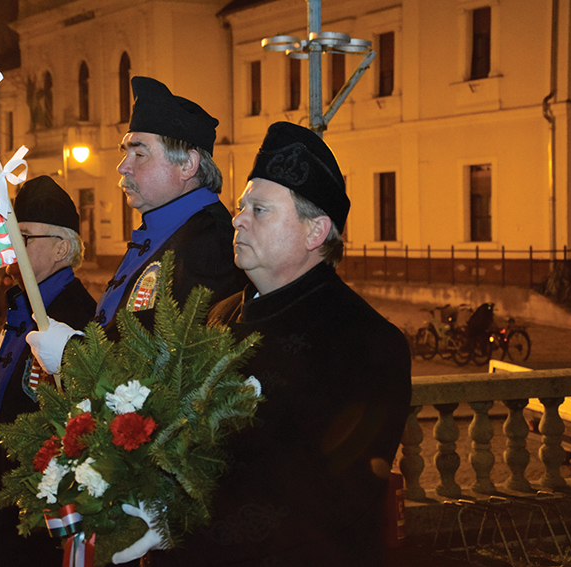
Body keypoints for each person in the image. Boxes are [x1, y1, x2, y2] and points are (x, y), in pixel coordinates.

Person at [148, 122, 413, 566]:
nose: (238, 218)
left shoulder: (366, 343)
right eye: (240, 205)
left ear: (315, 232)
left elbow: (326, 497)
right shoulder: (218, 314)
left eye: (260, 209)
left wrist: (177, 523)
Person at [27, 76, 247, 375]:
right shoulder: (167, 230)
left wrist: (72, 354)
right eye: (125, 152)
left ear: (187, 165)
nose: (122, 166)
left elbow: (168, 368)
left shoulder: (209, 242)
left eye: (139, 153)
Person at [0, 175, 97, 567]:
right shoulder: (19, 304)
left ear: (62, 247)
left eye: (26, 237)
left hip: (27, 499)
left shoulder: (75, 315)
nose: (13, 246)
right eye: (12, 235)